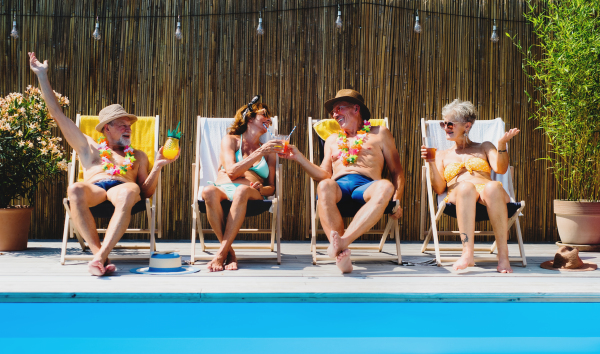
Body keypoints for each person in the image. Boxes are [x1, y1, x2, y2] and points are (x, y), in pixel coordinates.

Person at [28, 52, 180, 276]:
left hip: (122, 191)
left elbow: (145, 193)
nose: (128, 128)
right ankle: (101, 256)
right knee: (74, 189)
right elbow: (58, 115)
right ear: (106, 128)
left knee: (131, 190)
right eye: (121, 125)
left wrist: (157, 166)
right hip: (95, 190)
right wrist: (42, 76)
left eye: (129, 125)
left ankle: (98, 258)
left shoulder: (138, 156)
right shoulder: (89, 147)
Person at [280, 89, 404, 273]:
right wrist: (298, 157)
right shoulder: (332, 139)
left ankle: (341, 243)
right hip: (339, 186)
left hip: (368, 186)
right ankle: (342, 252)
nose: (334, 114)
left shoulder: (380, 133)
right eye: (332, 112)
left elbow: (396, 170)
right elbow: (323, 174)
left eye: (339, 109)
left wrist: (397, 200)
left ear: (356, 108)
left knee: (386, 185)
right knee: (324, 185)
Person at [420, 99, 520, 273]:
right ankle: (467, 253)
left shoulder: (484, 147)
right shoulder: (441, 155)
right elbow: (439, 189)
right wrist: (430, 162)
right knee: (466, 187)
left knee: (493, 186)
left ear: (467, 126)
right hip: (459, 197)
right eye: (443, 124)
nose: (445, 128)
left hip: (490, 196)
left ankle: (503, 256)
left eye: (450, 124)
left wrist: (502, 145)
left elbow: (501, 169)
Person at [202, 96, 283, 272]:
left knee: (241, 192)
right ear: (250, 118)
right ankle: (229, 253)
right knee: (208, 191)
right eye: (264, 115)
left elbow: (271, 188)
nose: (268, 119)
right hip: (223, 188)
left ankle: (220, 254)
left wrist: (262, 188)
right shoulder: (231, 140)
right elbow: (231, 172)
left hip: (250, 193)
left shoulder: (269, 151)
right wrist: (259, 151)